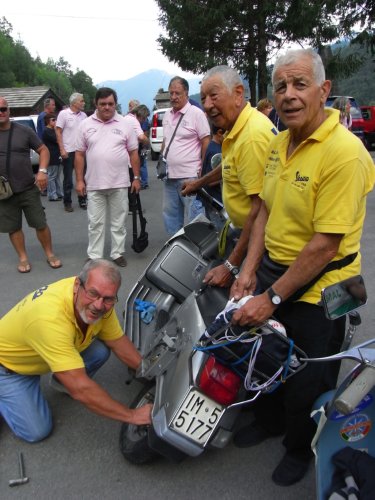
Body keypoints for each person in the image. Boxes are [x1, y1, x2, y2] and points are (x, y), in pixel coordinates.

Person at [230, 48, 375, 486]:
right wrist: (249, 270)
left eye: (299, 84)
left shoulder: (345, 154)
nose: (289, 96)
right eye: (280, 87)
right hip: (277, 268)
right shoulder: (279, 143)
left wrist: (271, 298)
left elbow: (325, 245)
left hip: (329, 283)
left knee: (311, 371)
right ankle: (272, 418)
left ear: (324, 90)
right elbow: (265, 213)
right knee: (267, 353)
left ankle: (300, 444)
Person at [0, 259, 152, 443]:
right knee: (37, 431)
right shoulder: (49, 319)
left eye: (108, 298)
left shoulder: (100, 298)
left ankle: (62, 379)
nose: (98, 305)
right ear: (77, 285)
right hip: (9, 370)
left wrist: (151, 372)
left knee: (100, 350)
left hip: (41, 352)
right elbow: (81, 389)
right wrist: (133, 416)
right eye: (93, 294)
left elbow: (117, 341)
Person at [181, 66, 277, 287]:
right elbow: (231, 164)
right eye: (203, 98)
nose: (207, 105)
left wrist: (231, 265)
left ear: (238, 93)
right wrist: (199, 183)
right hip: (243, 232)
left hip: (255, 242)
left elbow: (259, 209)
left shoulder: (251, 137)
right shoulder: (241, 128)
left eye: (214, 96)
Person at [75, 87, 141, 268]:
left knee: (118, 222)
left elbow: (134, 153)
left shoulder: (125, 124)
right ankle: (95, 256)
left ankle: (117, 253)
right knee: (95, 223)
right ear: (96, 104)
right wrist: (79, 180)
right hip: (94, 184)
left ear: (115, 104)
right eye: (103, 104)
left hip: (119, 183)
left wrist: (136, 177)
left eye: (110, 104)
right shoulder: (85, 125)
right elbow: (79, 155)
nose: (107, 107)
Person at [0, 97, 62, 273]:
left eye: (3, 109)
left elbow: (43, 150)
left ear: (9, 110)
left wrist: (42, 171)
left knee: (40, 223)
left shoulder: (23, 131)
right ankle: (23, 258)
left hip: (27, 187)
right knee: (13, 227)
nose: (1, 113)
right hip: (3, 191)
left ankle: (50, 254)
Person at [161, 76, 211, 236]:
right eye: (171, 93)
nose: (174, 97)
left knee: (194, 221)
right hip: (169, 177)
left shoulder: (196, 114)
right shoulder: (168, 115)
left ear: (186, 94)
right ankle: (174, 249)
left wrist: (202, 171)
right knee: (170, 218)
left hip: (190, 177)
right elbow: (166, 140)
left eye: (178, 93)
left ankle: (195, 255)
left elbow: (206, 141)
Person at [56, 92, 87, 212]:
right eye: (82, 101)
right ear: (74, 102)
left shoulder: (83, 115)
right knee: (68, 179)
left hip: (81, 150)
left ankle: (82, 199)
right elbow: (58, 131)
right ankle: (67, 202)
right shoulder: (64, 114)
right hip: (69, 150)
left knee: (83, 177)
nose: (83, 103)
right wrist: (62, 149)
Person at [42, 113, 63, 201]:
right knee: (52, 176)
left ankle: (59, 193)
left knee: (57, 175)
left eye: (55, 119)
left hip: (57, 155)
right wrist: (56, 130)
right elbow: (57, 139)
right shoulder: (47, 131)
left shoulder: (53, 130)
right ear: (48, 121)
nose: (55, 121)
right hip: (51, 156)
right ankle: (52, 195)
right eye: (53, 120)